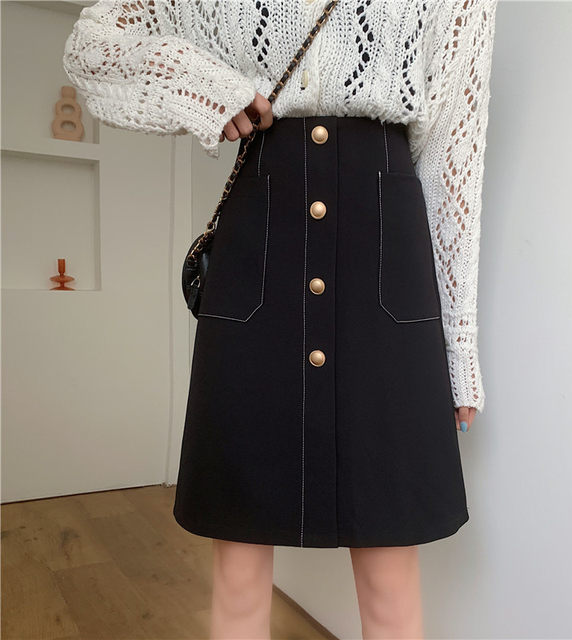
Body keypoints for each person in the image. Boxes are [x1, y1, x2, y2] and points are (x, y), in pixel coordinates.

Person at [63, 1, 497, 637]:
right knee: (238, 554)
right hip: (260, 246)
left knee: (390, 558)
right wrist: (206, 88)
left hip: (385, 254)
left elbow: (453, 156)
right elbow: (95, 44)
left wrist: (457, 346)